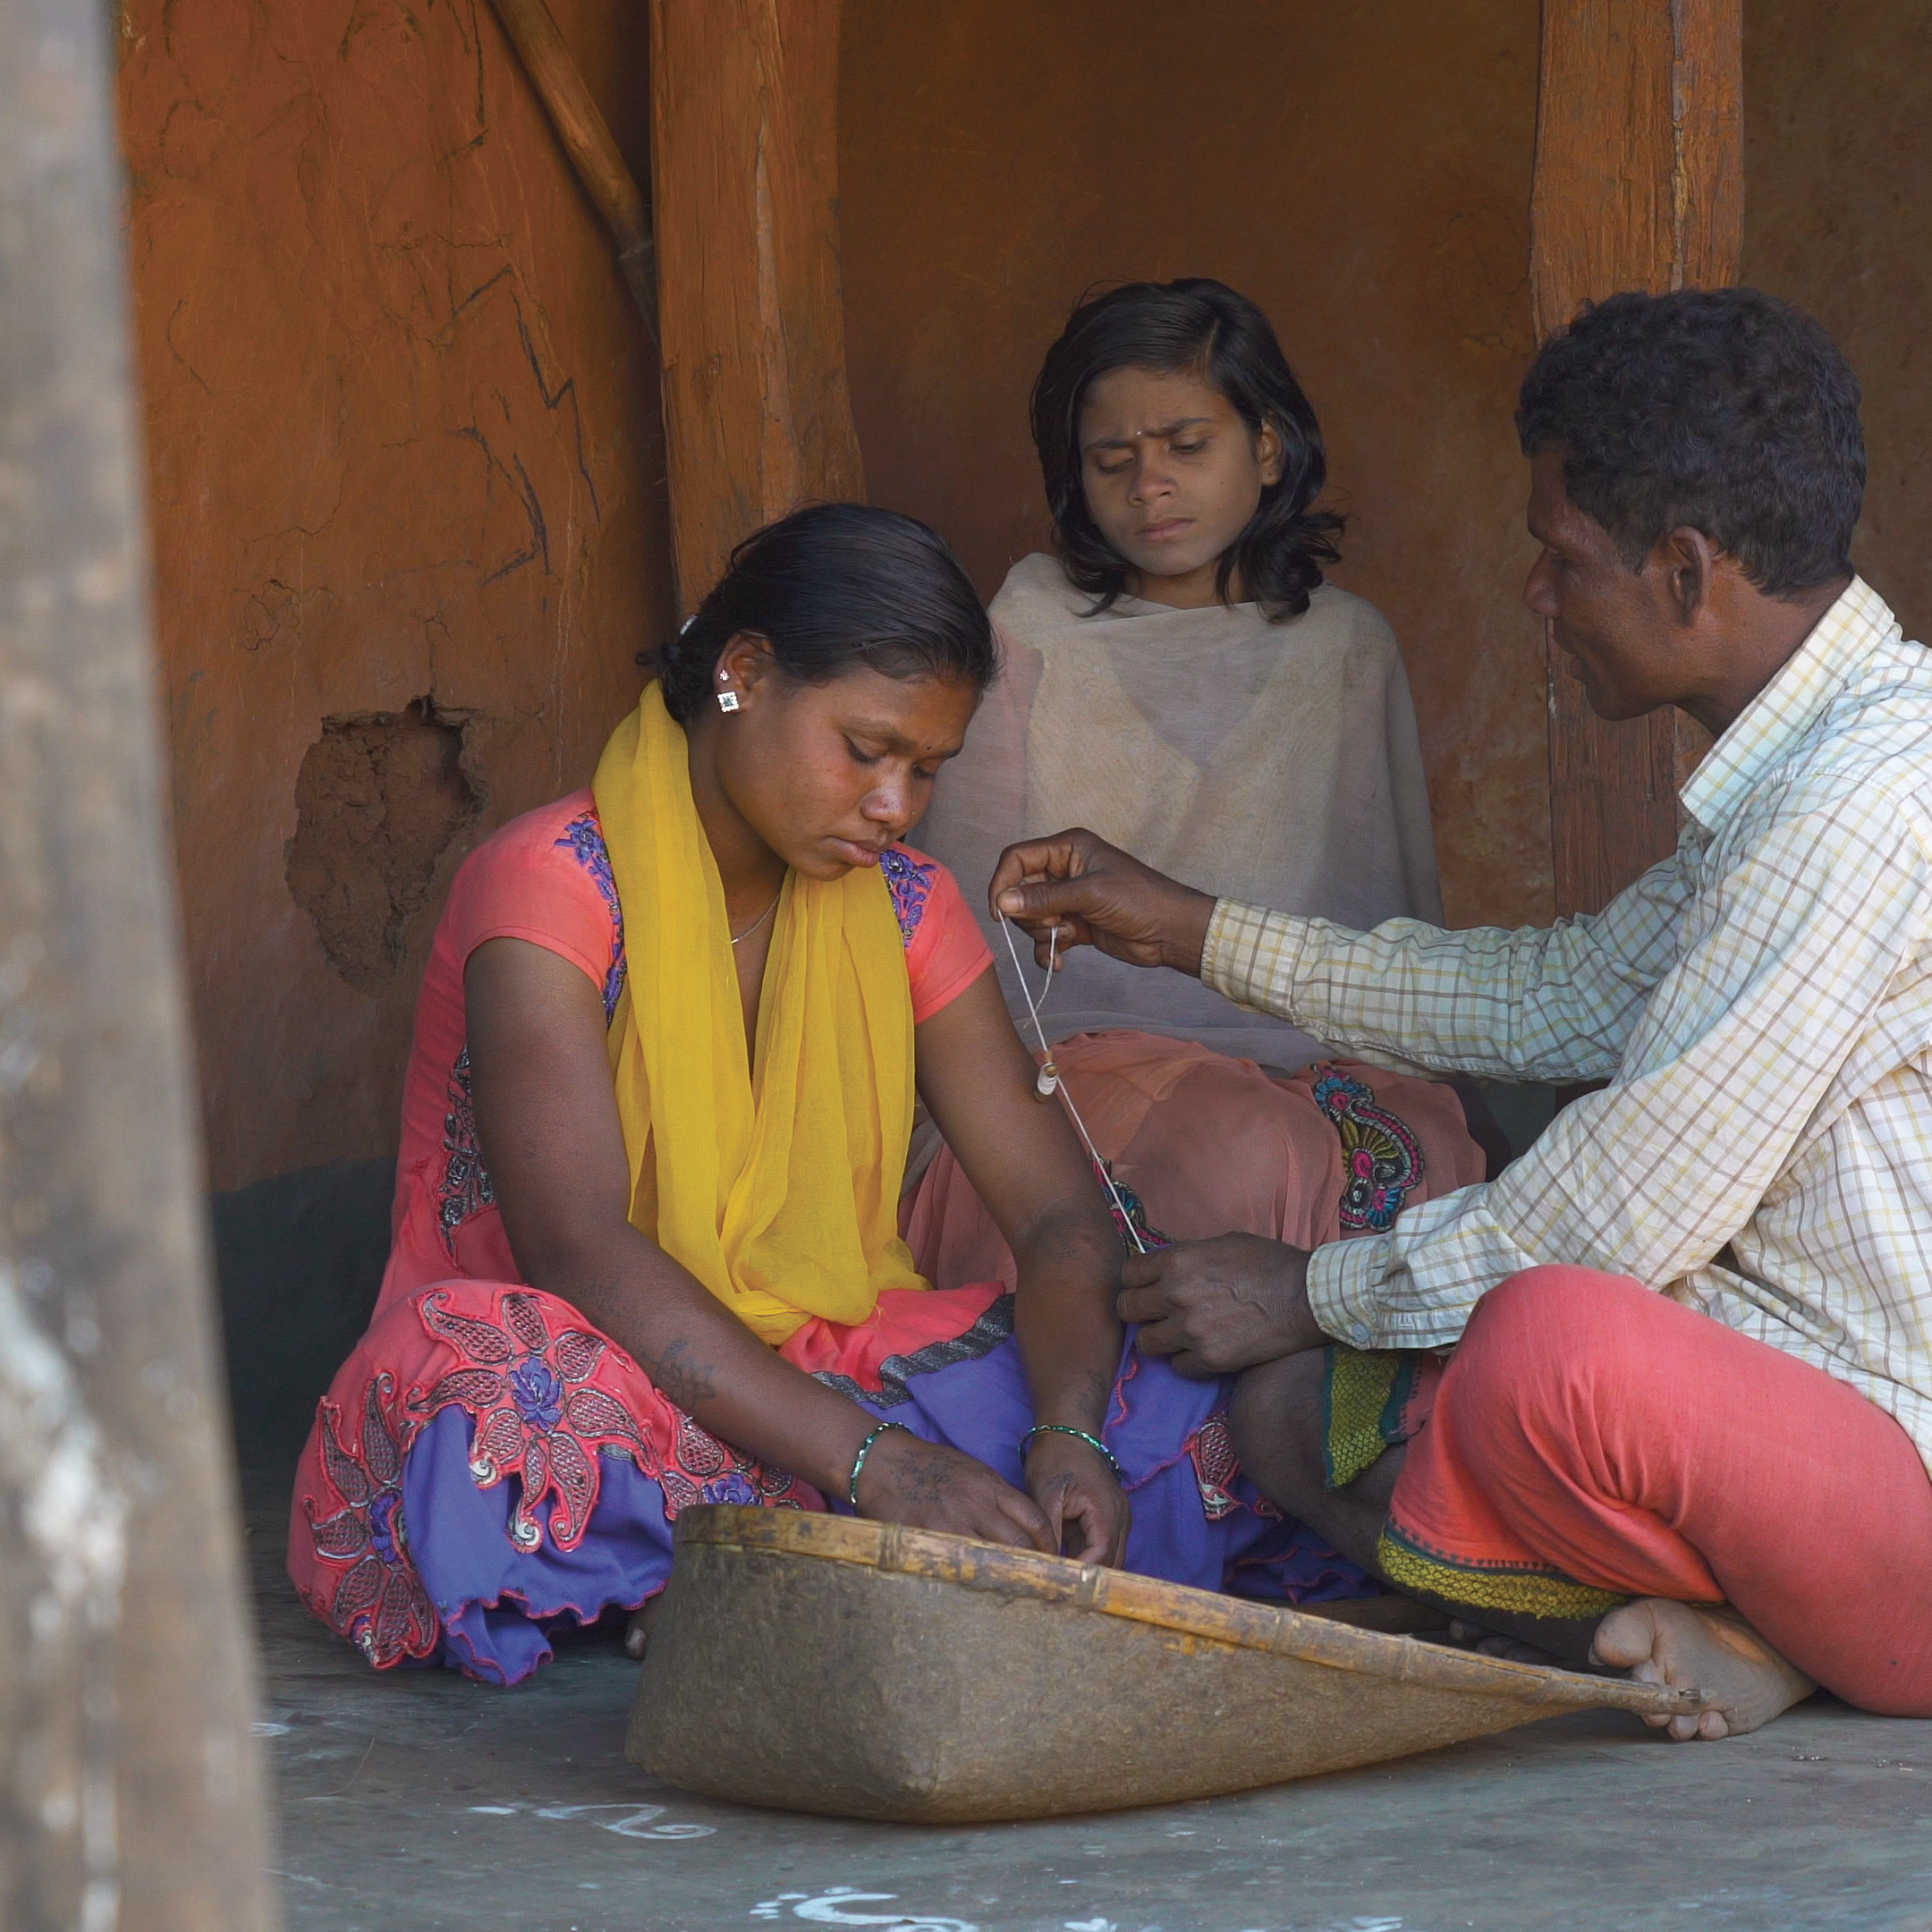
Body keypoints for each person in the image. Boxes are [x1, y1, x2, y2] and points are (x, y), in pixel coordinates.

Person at [989, 287, 1932, 1740]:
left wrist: (1311, 1287)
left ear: (1685, 574)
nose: (1537, 601)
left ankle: (1788, 1630)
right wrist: (1193, 929)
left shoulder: (1862, 803)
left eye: (1562, 562)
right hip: (1780, 1390)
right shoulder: (1797, 771)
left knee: (1545, 1350)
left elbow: (1624, 1209)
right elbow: (1547, 995)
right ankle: (1735, 1630)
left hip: (1895, 1451)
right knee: (1311, 1412)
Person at [287, 504, 1368, 1686]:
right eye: (867, 750)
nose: (898, 805)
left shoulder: (905, 909)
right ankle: (809, 1536)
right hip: (603, 1356)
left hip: (828, 1358)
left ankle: (758, 1561)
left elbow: (1060, 1218)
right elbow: (579, 1247)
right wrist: (880, 1467)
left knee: (1188, 1374)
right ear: (745, 674)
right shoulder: (551, 890)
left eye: (927, 770)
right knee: (494, 1391)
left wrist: (1064, 1432)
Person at [908, 277, 1490, 1295]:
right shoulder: (1025, 632)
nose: (1149, 486)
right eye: (1112, 460)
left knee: (1426, 1171)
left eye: (1187, 446)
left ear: (1266, 448)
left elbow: (1387, 926)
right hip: (1074, 1063)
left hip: (1319, 1062)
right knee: (1239, 1154)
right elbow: (960, 927)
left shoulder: (1344, 648)